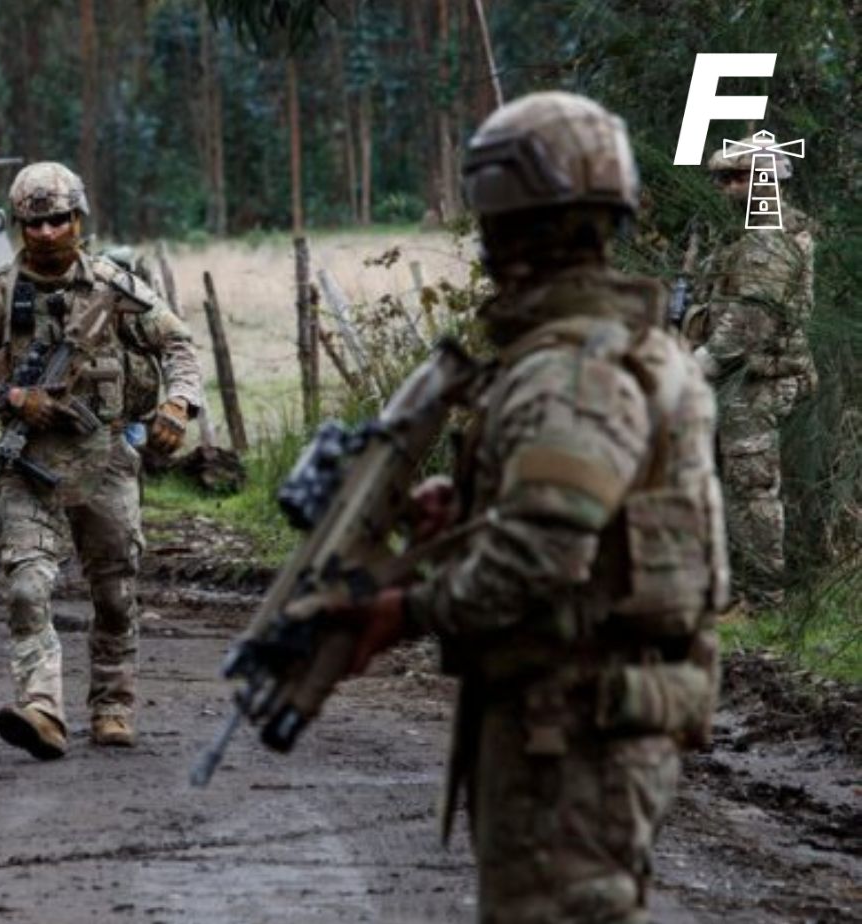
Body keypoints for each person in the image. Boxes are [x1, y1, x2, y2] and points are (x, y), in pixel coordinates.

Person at [334, 92, 727, 923]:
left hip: (568, 732)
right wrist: (474, 511)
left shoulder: (569, 369)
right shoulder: (640, 347)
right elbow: (596, 520)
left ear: (501, 224)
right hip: (595, 719)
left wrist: (406, 609)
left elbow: (541, 557)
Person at [0, 161, 203, 759]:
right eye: (34, 222)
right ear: (18, 225)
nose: (47, 233)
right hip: (26, 462)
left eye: (59, 220)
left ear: (78, 220)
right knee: (29, 587)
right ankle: (42, 708)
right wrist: (9, 396)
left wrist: (178, 405)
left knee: (114, 592)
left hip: (105, 457)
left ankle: (112, 702)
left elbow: (177, 343)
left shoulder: (116, 286)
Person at [687, 147, 817, 603]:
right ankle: (740, 586)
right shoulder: (750, 233)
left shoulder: (769, 236)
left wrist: (700, 363)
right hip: (741, 377)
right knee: (738, 483)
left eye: (738, 179)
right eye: (722, 181)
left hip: (754, 380)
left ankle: (764, 595)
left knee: (753, 487)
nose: (727, 189)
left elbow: (750, 321)